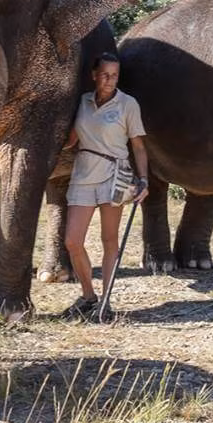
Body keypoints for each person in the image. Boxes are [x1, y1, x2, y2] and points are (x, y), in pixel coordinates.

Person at [61, 52, 149, 321]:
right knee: (72, 241)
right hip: (83, 173)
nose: (110, 80)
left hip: (115, 175)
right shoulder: (84, 102)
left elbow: (139, 147)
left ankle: (106, 301)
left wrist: (143, 180)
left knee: (109, 240)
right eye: (105, 74)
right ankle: (88, 296)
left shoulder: (127, 104)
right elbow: (72, 140)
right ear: (94, 75)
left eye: (114, 75)